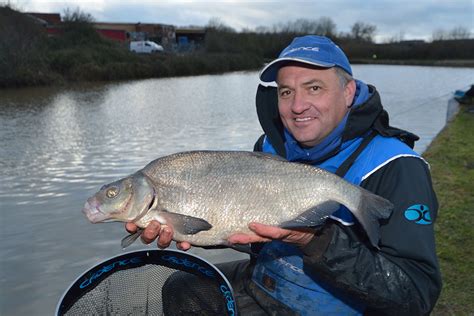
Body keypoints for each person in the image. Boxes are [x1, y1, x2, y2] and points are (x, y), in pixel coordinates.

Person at [126, 35, 442, 315]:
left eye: (314, 88)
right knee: (183, 287)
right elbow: (246, 232)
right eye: (286, 92)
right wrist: (189, 226)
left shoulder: (397, 166)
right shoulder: (268, 148)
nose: (297, 106)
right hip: (268, 282)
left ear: (348, 92)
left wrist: (314, 240)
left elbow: (416, 296)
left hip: (346, 306)